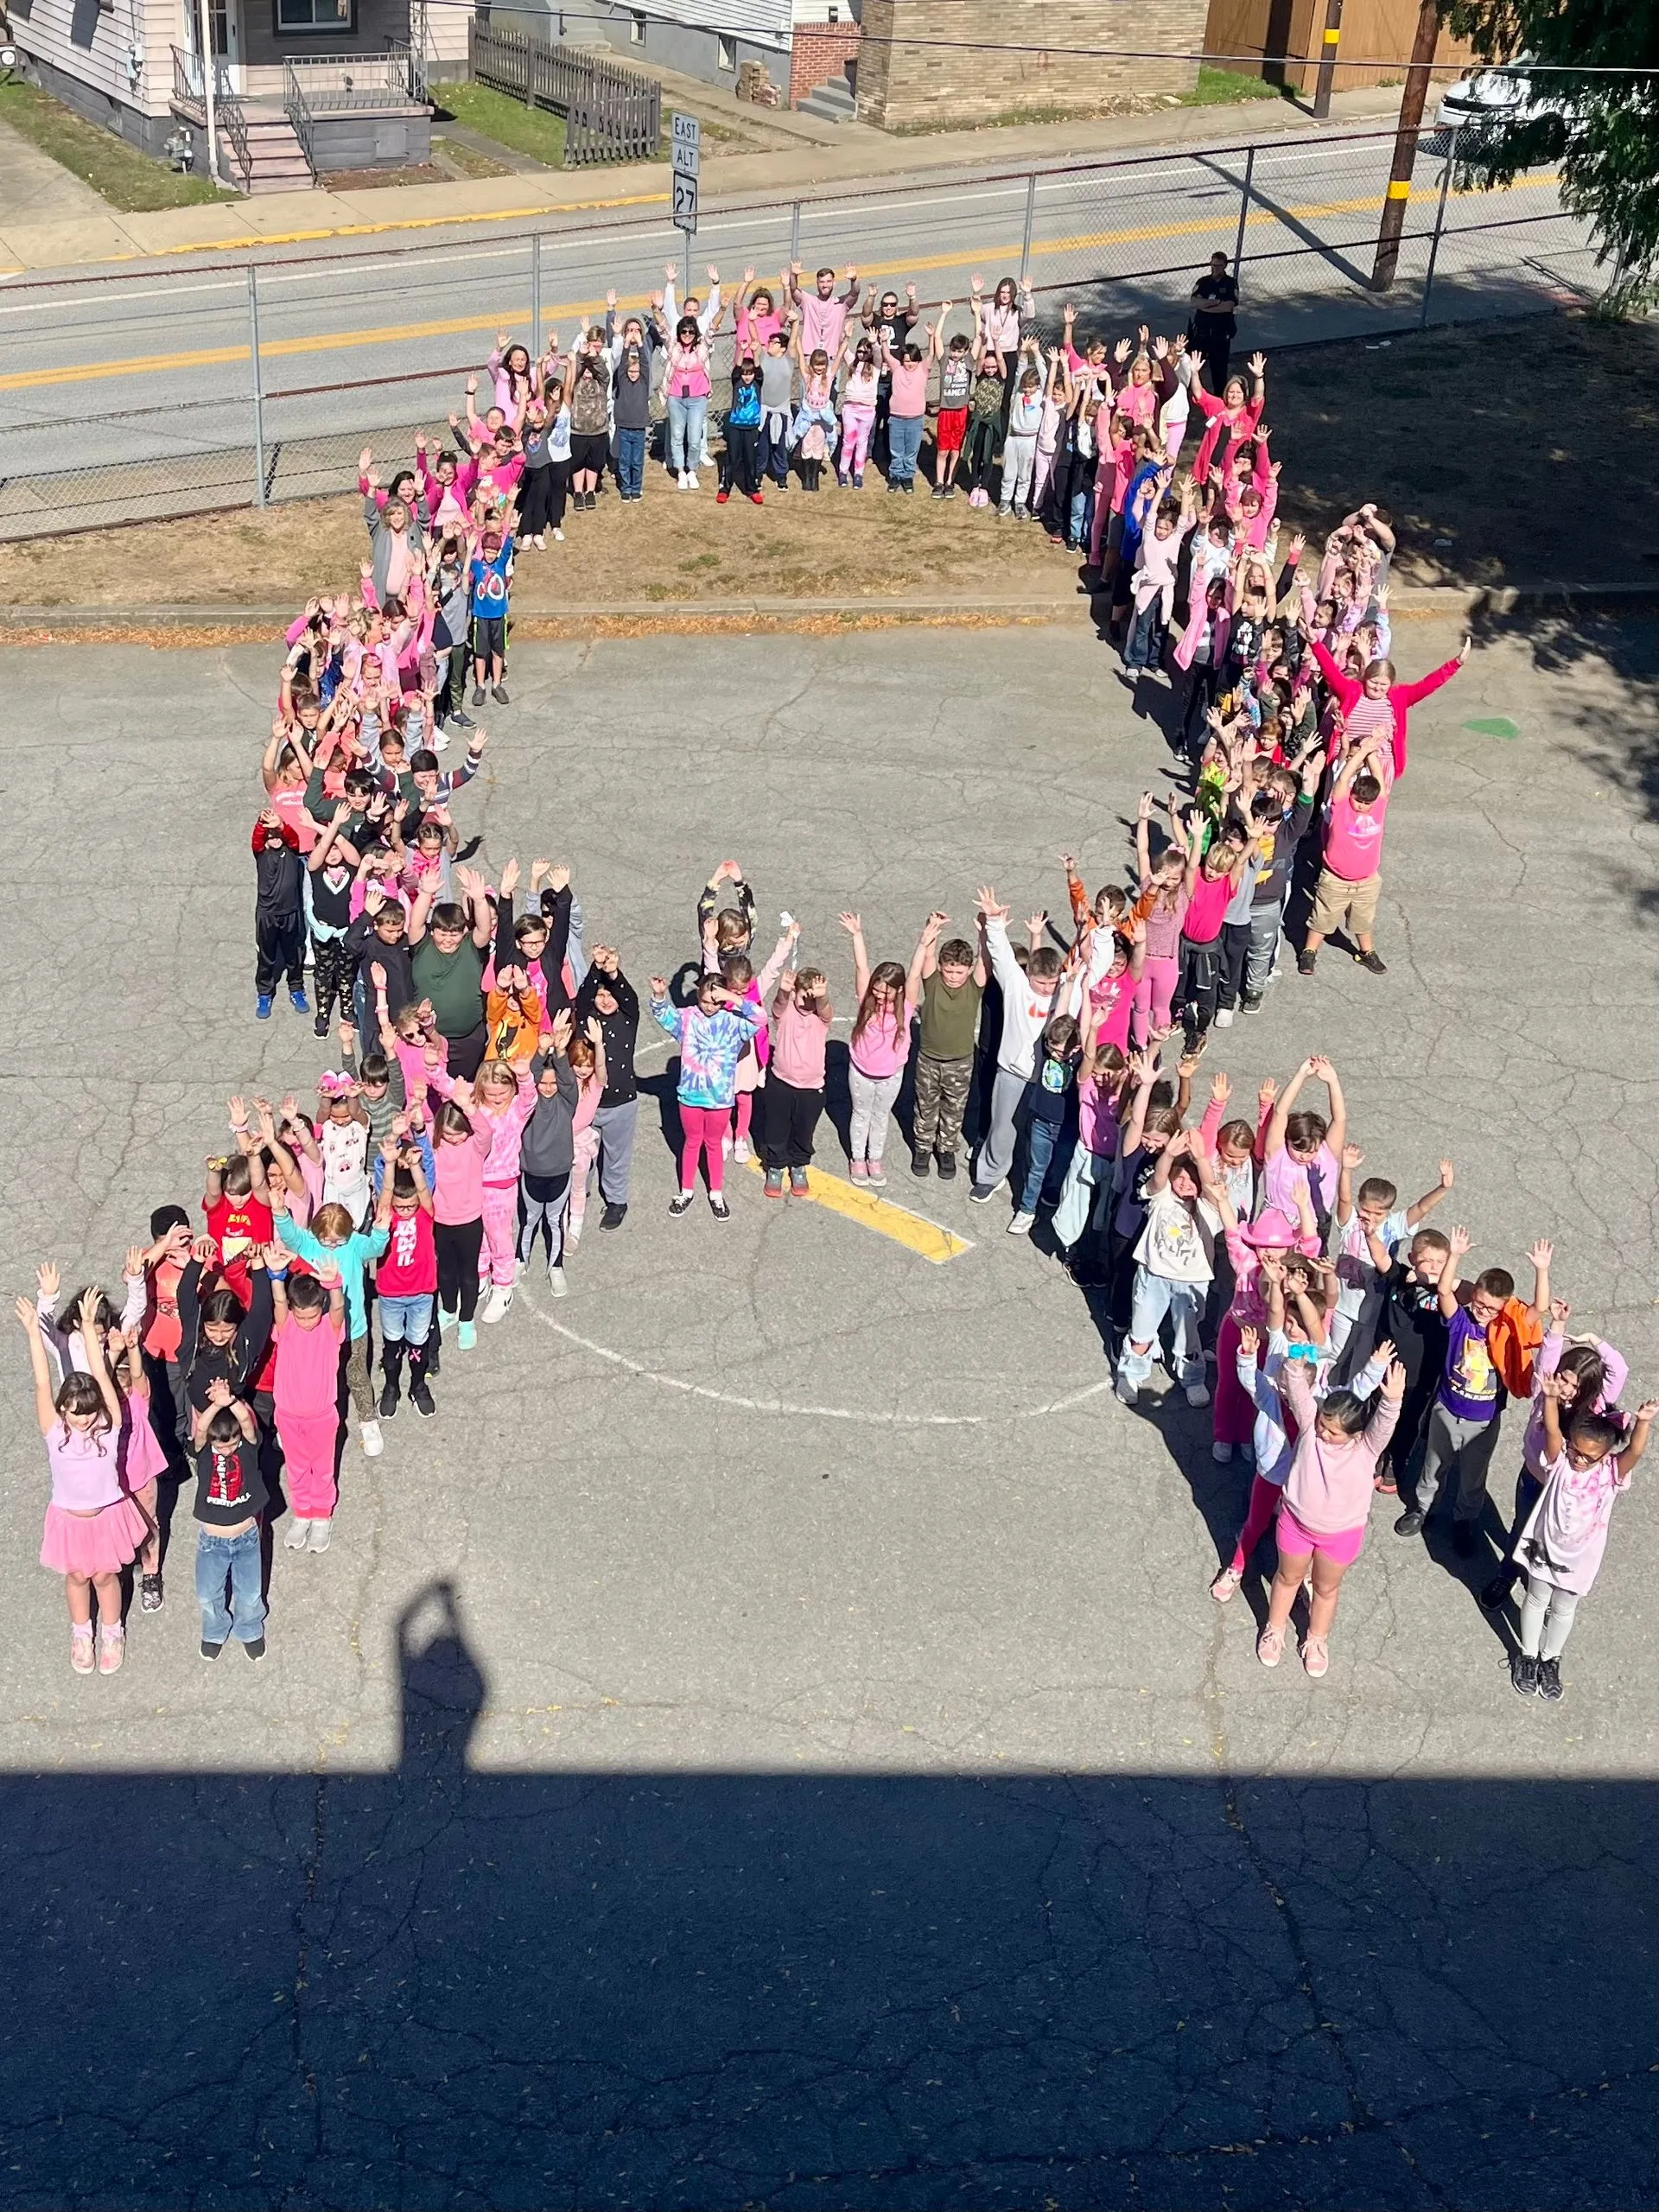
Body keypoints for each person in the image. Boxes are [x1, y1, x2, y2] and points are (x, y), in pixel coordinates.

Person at [19, 1287, 149, 1675]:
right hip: (69, 1520)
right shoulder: (54, 1432)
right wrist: (31, 1332)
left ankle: (112, 1630)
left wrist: (91, 1327)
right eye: (76, 1413)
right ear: (63, 1410)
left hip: (106, 1517)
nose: (84, 1419)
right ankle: (81, 1632)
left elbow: (102, 1378)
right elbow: (44, 1382)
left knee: (106, 1576)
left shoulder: (109, 1429)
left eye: (90, 1412)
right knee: (77, 1577)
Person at [1394, 1226, 1547, 1556]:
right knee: (1434, 1465)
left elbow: (1538, 1309)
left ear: (1504, 1308)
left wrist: (1541, 1270)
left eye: (1492, 1308)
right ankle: (1422, 1508)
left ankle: (1464, 1520)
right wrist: (1457, 1255)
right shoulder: (1461, 1321)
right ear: (1473, 1295)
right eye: (1479, 1303)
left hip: (1483, 1421)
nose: (1483, 1312)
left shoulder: (1506, 1331)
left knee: (1473, 1477)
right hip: (1447, 1410)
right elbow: (1446, 1290)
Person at [1256, 1354, 1406, 1677]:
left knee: (1325, 1590)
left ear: (1354, 1434)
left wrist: (1393, 1398)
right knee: (1287, 1579)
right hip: (1296, 1524)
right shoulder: (1310, 1430)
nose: (1324, 1433)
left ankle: (1316, 1640)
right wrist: (1295, 1367)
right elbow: (1298, 1393)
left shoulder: (1366, 1450)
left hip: (1340, 1536)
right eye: (1323, 1424)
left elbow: (1384, 1424)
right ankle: (1275, 1629)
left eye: (1333, 1432)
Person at [1510, 1376, 1654, 1700]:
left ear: (1604, 1456)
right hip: (1544, 1547)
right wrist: (1549, 1399)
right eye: (1576, 1450)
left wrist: (1642, 1423)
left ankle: (1550, 1659)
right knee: (1535, 1599)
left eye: (1588, 1456)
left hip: (1580, 1559)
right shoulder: (1559, 1463)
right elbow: (1551, 1432)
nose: (1579, 1458)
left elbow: (1635, 1451)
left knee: (1563, 1610)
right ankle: (1528, 1655)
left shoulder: (1611, 1475)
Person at [969, 888, 1081, 1205]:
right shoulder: (1016, 986)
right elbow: (1001, 953)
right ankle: (989, 1176)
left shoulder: (1064, 992)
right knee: (1002, 1128)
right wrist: (993, 920)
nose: (1046, 989)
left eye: (1051, 983)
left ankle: (1037, 1185)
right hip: (1013, 1073)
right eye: (1040, 982)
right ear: (1028, 973)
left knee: (1040, 1137)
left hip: (1047, 1079)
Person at [1115, 1128, 1233, 1407]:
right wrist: (1168, 1154)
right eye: (1179, 1177)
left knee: (1189, 1338)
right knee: (1141, 1331)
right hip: (1154, 1276)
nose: (1184, 1182)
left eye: (1191, 1179)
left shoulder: (1208, 1208)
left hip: (1192, 1282)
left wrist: (1202, 1159)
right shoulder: (1162, 1197)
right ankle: (1131, 1374)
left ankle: (1192, 1378)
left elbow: (1210, 1185)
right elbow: (1158, 1179)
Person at [650, 969, 763, 1219]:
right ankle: (686, 1190)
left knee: (713, 1144)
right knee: (691, 1143)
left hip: (720, 1100)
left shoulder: (733, 1022)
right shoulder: (688, 1018)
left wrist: (733, 999)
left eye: (715, 1001)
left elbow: (760, 1019)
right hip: (690, 1097)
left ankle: (716, 1192)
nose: (709, 1007)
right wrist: (659, 997)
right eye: (704, 1000)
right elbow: (664, 1016)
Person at [267, 1255, 347, 1554]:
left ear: (321, 1309)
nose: (306, 1322)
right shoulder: (286, 1327)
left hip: (322, 1417)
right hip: (287, 1416)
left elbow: (338, 1307)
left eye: (312, 1315)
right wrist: (276, 1277)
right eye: (300, 1316)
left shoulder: (329, 1328)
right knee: (297, 1468)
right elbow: (278, 1304)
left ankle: (322, 1516)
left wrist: (334, 1284)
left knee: (322, 1468)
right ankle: (302, 1513)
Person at [1300, 733, 1393, 977]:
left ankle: (1367, 952)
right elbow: (1342, 780)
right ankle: (1309, 952)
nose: (1361, 804)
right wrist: (1360, 753)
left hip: (1366, 880)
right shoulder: (1341, 806)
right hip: (1335, 879)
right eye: (1357, 799)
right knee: (1322, 918)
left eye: (1366, 802)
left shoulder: (1379, 806)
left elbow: (1379, 782)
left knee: (1363, 921)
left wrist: (1372, 753)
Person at [838, 911, 920, 1185]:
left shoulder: (906, 1006)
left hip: (891, 1073)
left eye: (886, 991)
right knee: (861, 1114)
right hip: (861, 1070)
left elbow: (917, 972)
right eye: (877, 989)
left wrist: (924, 942)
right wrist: (857, 935)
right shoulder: (866, 1001)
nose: (880, 995)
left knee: (881, 1116)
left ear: (899, 990)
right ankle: (857, 1158)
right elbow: (862, 969)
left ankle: (875, 1158)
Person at [190, 1381, 269, 1662]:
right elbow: (200, 1430)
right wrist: (215, 1406)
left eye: (232, 1445)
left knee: (249, 1592)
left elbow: (247, 1423)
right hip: (212, 1541)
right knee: (207, 1594)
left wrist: (232, 1402)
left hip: (246, 1537)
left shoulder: (246, 1447)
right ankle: (214, 1630)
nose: (227, 1450)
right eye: (221, 1446)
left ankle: (250, 1629)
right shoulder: (203, 1452)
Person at [910, 913, 985, 1179]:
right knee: (925, 1106)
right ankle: (922, 1147)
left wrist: (983, 933)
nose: (954, 976)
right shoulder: (934, 983)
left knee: (954, 1108)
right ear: (942, 967)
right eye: (949, 970)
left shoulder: (974, 987)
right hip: (929, 1059)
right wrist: (933, 930)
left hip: (960, 1062)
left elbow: (985, 961)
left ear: (968, 969)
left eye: (959, 971)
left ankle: (947, 1149)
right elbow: (927, 959)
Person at [573, 944, 640, 1230]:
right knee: (580, 1154)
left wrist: (613, 973)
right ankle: (580, 1194)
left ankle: (616, 1201)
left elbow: (628, 996)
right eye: (601, 995)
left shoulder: (629, 1017)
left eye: (610, 994)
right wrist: (595, 968)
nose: (605, 999)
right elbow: (583, 997)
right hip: (588, 1102)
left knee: (616, 1155)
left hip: (622, 1101)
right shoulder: (587, 1020)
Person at [372, 1132, 439, 1414]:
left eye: (410, 1206)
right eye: (402, 1207)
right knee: (392, 1343)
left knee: (418, 1342)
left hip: (422, 1292)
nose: (407, 1210)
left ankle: (417, 1385)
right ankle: (391, 1386)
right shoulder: (385, 1214)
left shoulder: (425, 1212)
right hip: (391, 1293)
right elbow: (386, 1193)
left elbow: (423, 1191)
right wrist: (389, 1164)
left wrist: (414, 1167)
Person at [760, 963, 833, 1198]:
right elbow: (779, 1004)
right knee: (776, 1129)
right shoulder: (786, 1012)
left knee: (804, 1130)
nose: (808, 1002)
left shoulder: (821, 1018)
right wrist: (783, 991)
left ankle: (799, 1165)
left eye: (813, 998)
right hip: (781, 1083)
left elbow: (824, 1008)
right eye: (805, 995)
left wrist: (820, 998)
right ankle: (776, 1166)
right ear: (796, 992)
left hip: (811, 1089)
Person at [251, 803, 308, 1021]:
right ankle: (264, 993)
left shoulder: (291, 851)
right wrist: (261, 823)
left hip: (290, 912)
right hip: (267, 914)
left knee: (294, 955)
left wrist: (282, 825)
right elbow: (256, 838)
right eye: (270, 835)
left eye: (278, 834)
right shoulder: (261, 853)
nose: (274, 838)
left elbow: (293, 837)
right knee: (266, 956)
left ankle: (296, 988)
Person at [467, 520, 513, 707]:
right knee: (480, 653)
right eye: (488, 551)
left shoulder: (501, 564)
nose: (491, 554)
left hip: (498, 616)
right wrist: (471, 542)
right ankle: (480, 686)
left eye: (494, 551)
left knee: (497, 651)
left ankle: (497, 684)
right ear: (483, 550)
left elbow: (508, 549)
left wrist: (512, 532)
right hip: (480, 616)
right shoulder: (477, 565)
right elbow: (466, 557)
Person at [1186, 252, 1238, 393]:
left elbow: (1228, 306)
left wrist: (1206, 306)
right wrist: (1216, 303)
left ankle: (1219, 400)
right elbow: (1194, 302)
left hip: (1220, 335)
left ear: (1225, 266)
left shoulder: (1230, 283)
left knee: (1219, 371)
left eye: (1219, 266)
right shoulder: (1203, 282)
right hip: (1200, 334)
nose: (1215, 268)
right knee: (1191, 367)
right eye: (1213, 265)